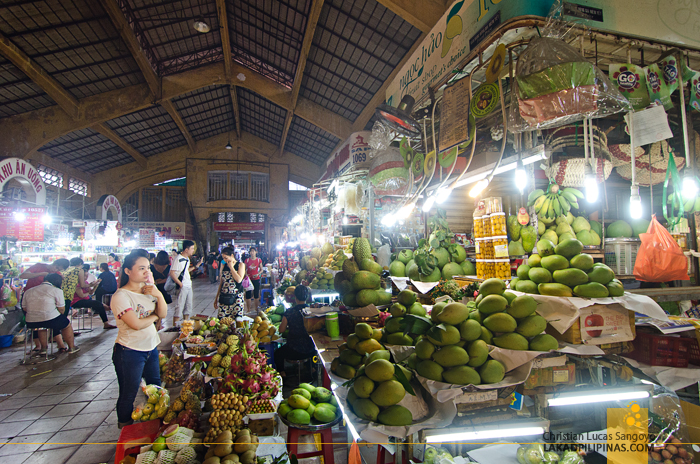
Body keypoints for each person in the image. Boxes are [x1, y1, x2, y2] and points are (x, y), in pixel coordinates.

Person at [111, 253, 168, 429]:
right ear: (128, 271)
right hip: (129, 351)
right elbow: (135, 324)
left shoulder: (147, 289)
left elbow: (163, 313)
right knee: (128, 393)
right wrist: (154, 316)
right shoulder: (121, 296)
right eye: (141, 268)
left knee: (155, 388)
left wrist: (158, 295)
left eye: (148, 268)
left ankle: (154, 427)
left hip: (151, 348)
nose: (146, 272)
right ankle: (125, 429)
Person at [23, 274, 78, 354]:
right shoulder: (56, 290)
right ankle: (72, 347)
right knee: (66, 325)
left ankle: (43, 349)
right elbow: (61, 309)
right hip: (50, 319)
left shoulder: (29, 291)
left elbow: (25, 308)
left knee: (42, 326)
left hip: (31, 322)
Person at [273, 285, 315, 378]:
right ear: (307, 297)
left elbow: (281, 330)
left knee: (277, 353)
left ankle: (283, 375)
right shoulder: (312, 311)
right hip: (311, 350)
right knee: (309, 350)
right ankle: (312, 368)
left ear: (295, 297)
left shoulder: (290, 312)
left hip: (293, 350)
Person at [169, 240, 201, 325]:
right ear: (186, 249)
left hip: (188, 285)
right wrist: (180, 284)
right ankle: (175, 326)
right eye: (192, 248)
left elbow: (186, 271)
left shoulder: (186, 259)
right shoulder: (178, 259)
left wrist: (196, 266)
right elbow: (172, 273)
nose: (193, 250)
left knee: (188, 306)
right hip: (182, 286)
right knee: (179, 306)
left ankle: (186, 325)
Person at [214, 247, 245, 319]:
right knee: (222, 322)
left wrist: (231, 268)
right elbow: (221, 283)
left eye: (226, 258)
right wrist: (216, 298)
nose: (225, 260)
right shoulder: (224, 265)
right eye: (223, 258)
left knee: (237, 322)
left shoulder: (240, 265)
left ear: (232, 256)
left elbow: (238, 280)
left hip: (237, 298)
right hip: (224, 298)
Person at [245, 247, 263, 312]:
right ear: (249, 252)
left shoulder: (259, 260)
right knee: (248, 295)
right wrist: (246, 275)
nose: (252, 253)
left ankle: (256, 308)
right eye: (251, 251)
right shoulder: (247, 260)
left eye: (253, 251)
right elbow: (244, 269)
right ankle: (248, 309)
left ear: (256, 252)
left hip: (256, 279)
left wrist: (258, 274)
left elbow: (261, 269)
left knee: (256, 294)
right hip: (248, 280)